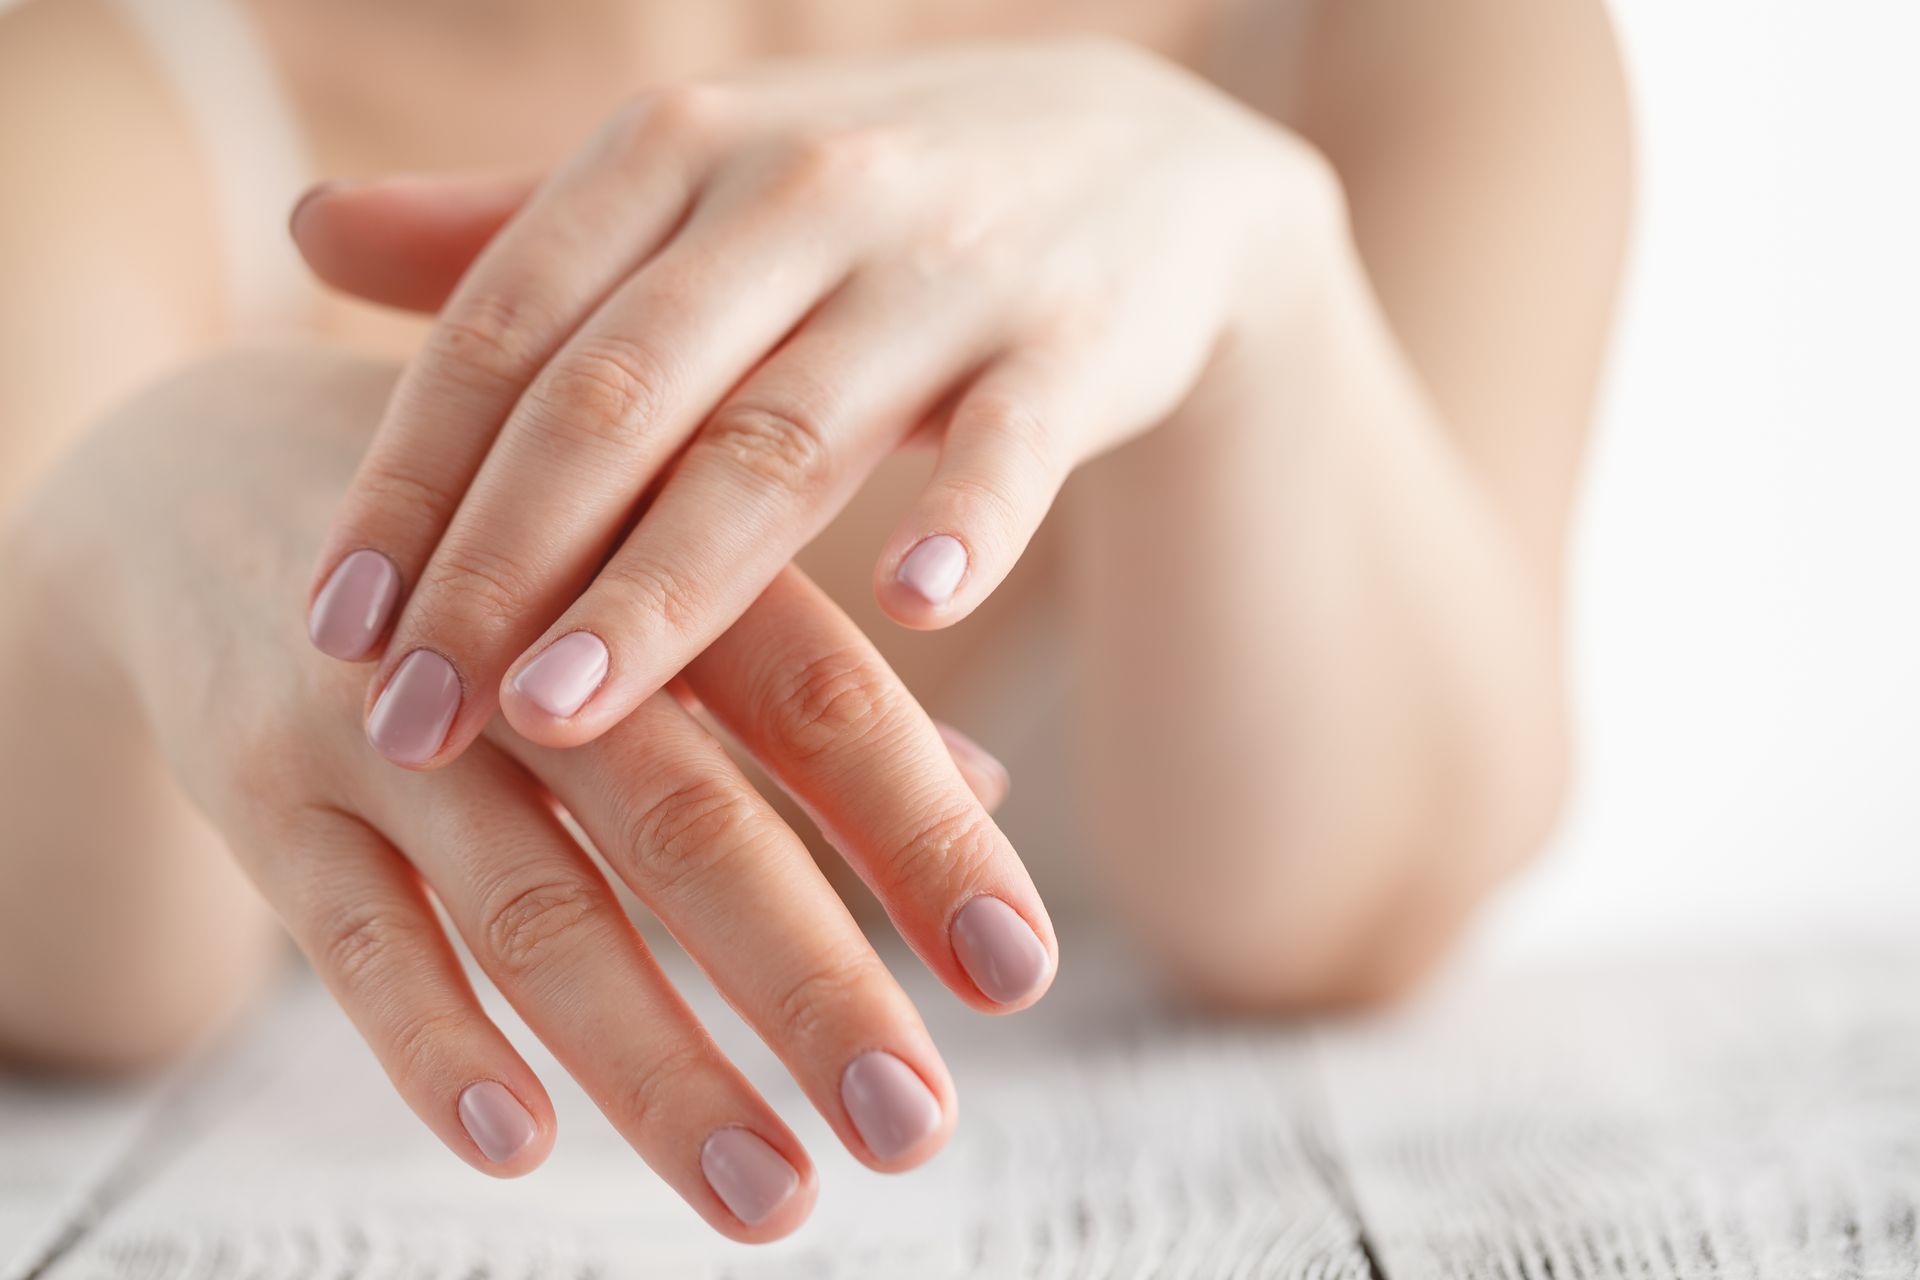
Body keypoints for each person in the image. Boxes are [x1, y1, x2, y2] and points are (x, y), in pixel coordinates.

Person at [0, 0, 1631, 1243]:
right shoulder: (94, 77)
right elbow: (75, 989)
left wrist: (1265, 295)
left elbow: (1345, 922)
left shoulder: (1415, 40)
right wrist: (94, 565)